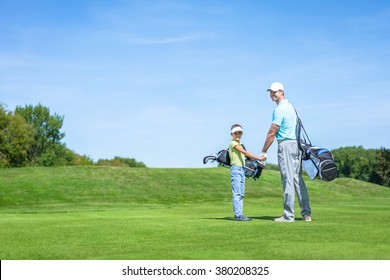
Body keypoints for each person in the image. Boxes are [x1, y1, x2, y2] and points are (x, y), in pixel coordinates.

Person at [260, 82, 312, 222]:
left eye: (274, 92)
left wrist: (264, 151)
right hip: (296, 145)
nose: (272, 94)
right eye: (271, 92)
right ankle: (306, 214)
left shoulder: (280, 109)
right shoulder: (291, 107)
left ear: (281, 91)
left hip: (286, 145)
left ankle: (288, 215)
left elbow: (272, 133)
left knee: (287, 179)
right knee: (297, 179)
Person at [229, 124, 266, 221]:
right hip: (236, 170)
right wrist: (259, 158)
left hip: (241, 169)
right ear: (231, 134)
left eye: (239, 133)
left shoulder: (240, 144)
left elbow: (246, 157)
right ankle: (238, 215)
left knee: (241, 193)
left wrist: (258, 164)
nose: (238, 135)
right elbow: (246, 153)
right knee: (237, 193)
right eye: (236, 133)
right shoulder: (233, 143)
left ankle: (240, 214)